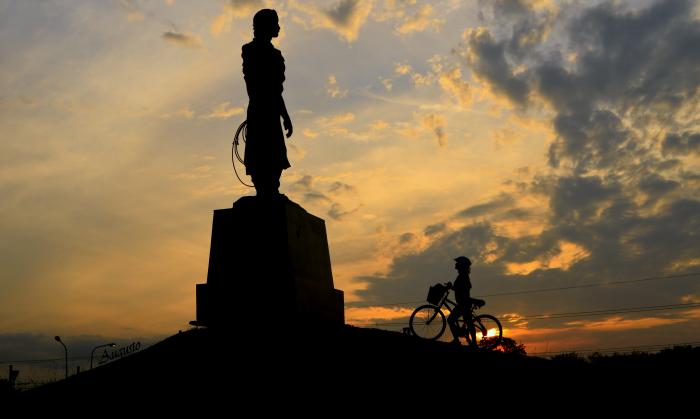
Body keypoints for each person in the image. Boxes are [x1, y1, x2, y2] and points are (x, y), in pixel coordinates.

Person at [242, 9, 293, 197]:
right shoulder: (250, 50)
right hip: (260, 108)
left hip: (270, 109)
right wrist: (268, 106)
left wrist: (284, 115)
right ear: (266, 26)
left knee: (275, 152)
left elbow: (277, 90)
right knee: (261, 151)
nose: (279, 27)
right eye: (276, 23)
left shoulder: (276, 55)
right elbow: (253, 83)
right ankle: (264, 191)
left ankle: (271, 189)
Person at [446, 256, 484, 346]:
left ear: (462, 265)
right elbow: (458, 288)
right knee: (468, 322)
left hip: (463, 304)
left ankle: (457, 340)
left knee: (451, 320)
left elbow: (460, 289)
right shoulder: (463, 276)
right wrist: (452, 287)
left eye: (458, 263)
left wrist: (451, 287)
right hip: (464, 303)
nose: (456, 264)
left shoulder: (463, 276)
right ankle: (472, 342)